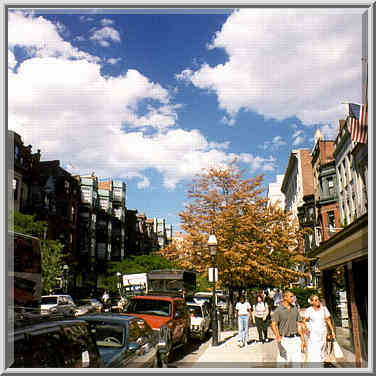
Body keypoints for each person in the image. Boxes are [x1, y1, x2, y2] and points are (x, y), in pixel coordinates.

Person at [271, 290, 306, 367]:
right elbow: (273, 324)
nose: (293, 298)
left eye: (293, 296)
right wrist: (277, 336)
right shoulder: (278, 310)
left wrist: (303, 340)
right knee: (282, 364)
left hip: (296, 339)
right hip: (284, 339)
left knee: (297, 364)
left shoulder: (295, 309)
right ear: (285, 297)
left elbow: (299, 324)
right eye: (291, 296)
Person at [303, 294, 336, 367]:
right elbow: (304, 320)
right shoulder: (309, 310)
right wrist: (306, 328)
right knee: (315, 351)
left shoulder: (324, 309)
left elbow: (328, 320)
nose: (318, 301)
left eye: (318, 299)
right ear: (311, 302)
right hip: (313, 335)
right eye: (315, 300)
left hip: (323, 333)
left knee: (322, 350)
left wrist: (332, 330)